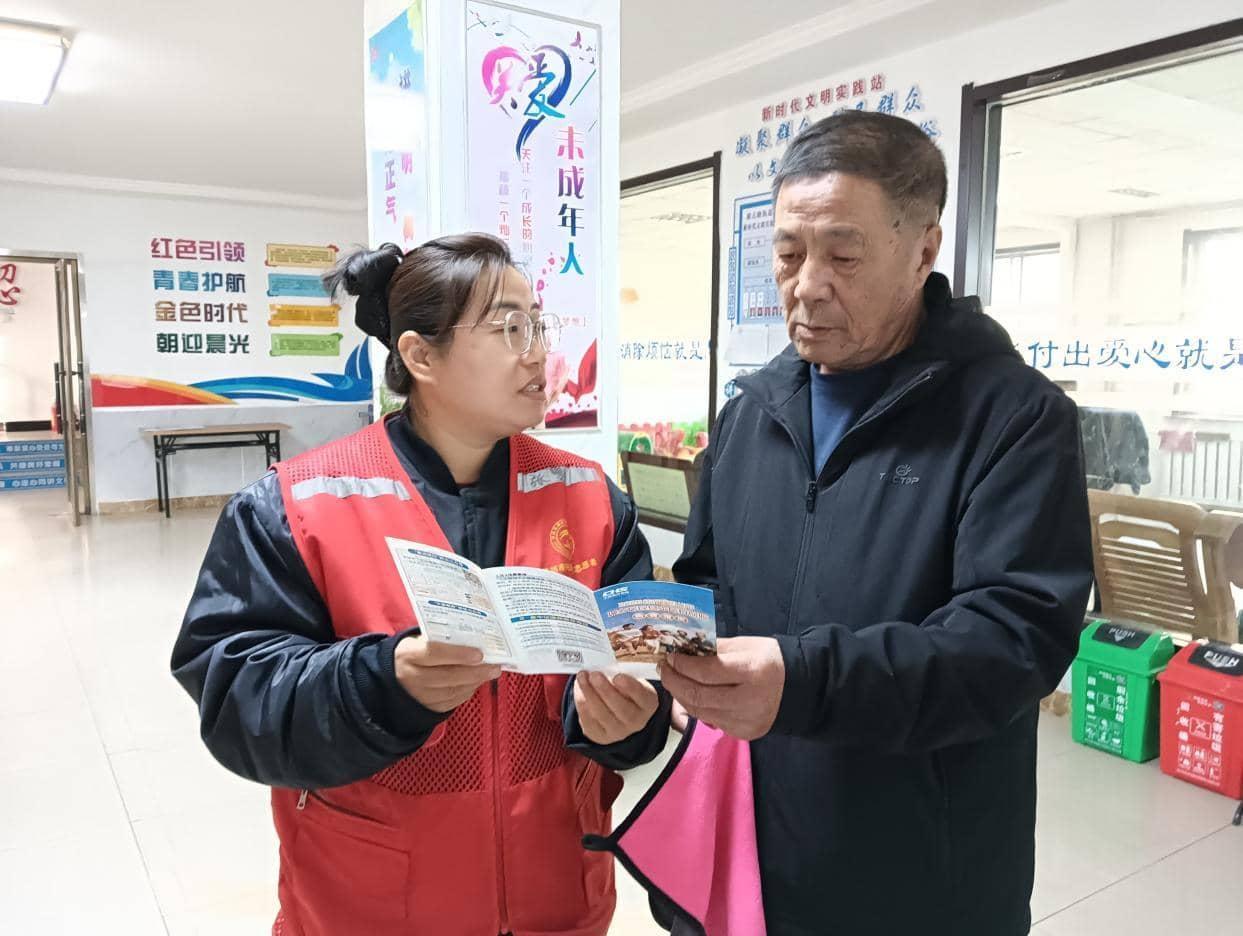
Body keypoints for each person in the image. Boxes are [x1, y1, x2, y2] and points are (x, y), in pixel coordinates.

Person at [660, 112, 1094, 935]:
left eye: (843, 255)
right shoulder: (751, 413)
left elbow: (1012, 640)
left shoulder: (1012, 417)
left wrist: (802, 682)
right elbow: (708, 578)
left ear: (923, 250)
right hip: (750, 845)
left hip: (918, 871)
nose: (806, 285)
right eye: (788, 253)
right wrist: (685, 669)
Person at [171, 233, 672, 936]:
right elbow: (234, 699)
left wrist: (627, 725)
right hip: (372, 902)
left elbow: (643, 677)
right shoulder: (295, 506)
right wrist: (381, 684)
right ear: (420, 356)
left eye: (539, 325)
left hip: (557, 894)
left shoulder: (588, 496)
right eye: (509, 328)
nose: (538, 353)